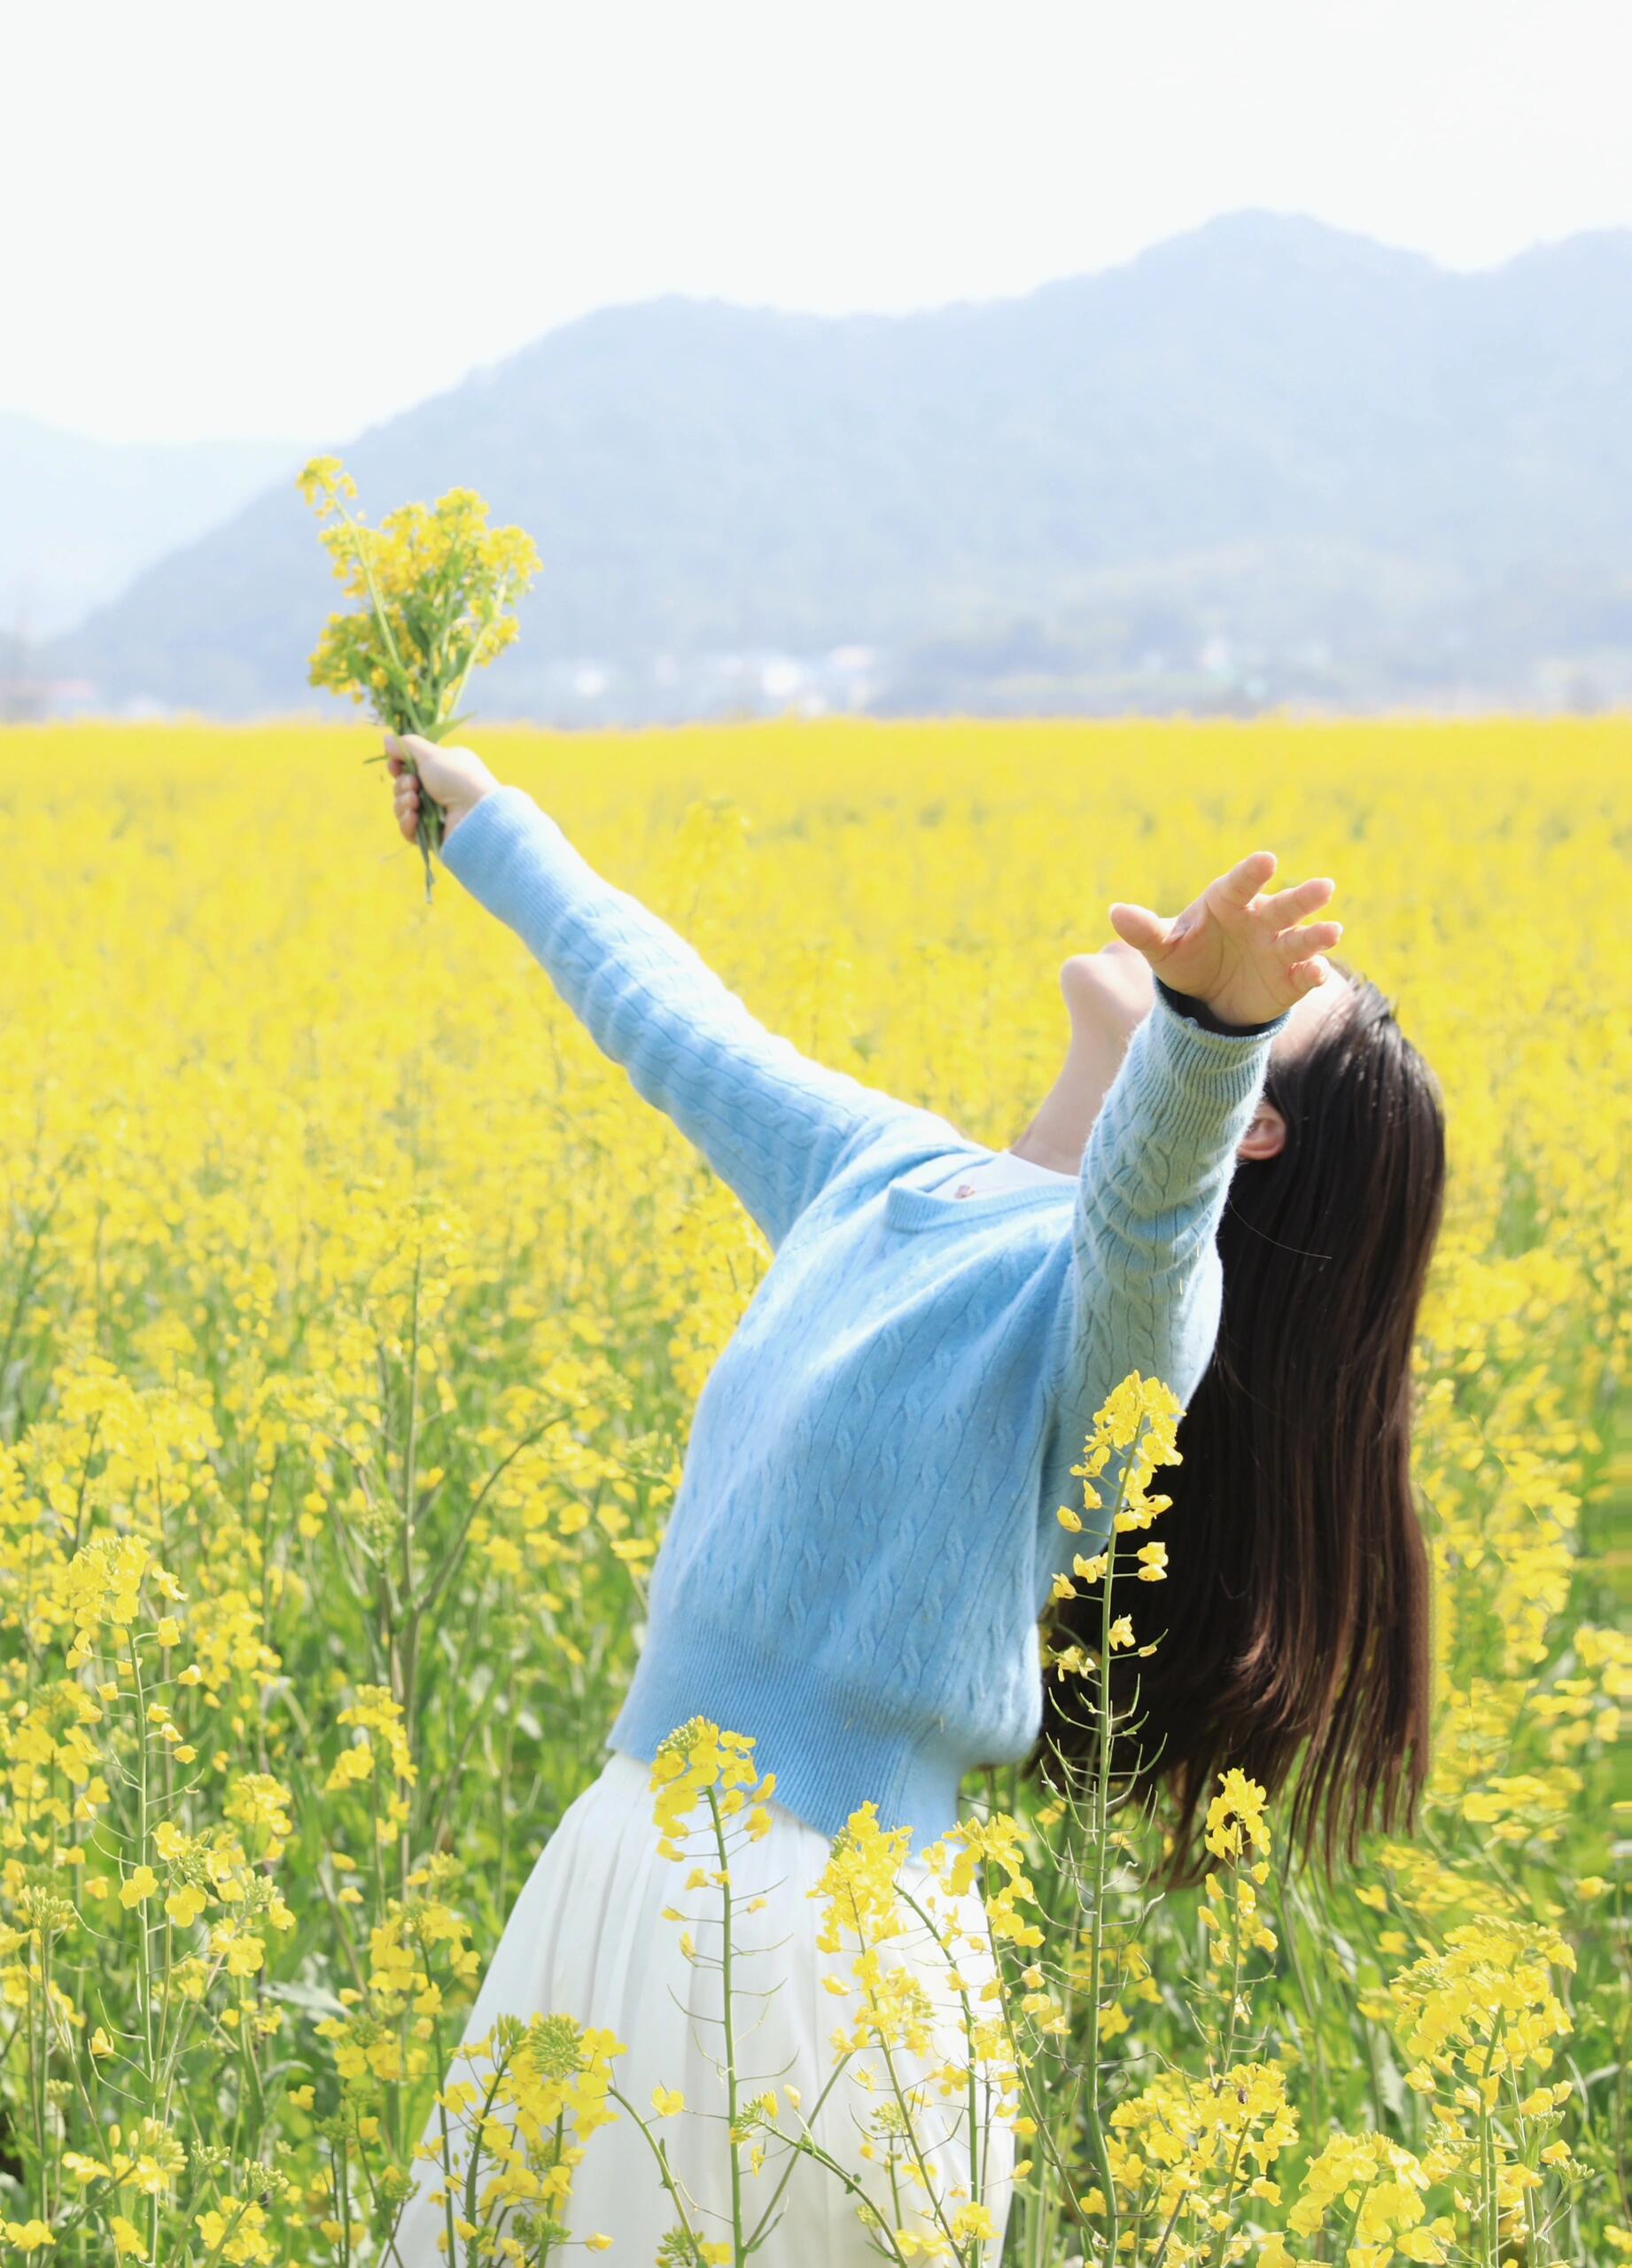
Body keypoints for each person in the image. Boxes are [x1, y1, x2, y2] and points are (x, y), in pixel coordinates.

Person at [380, 731, 1444, 2265]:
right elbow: (676, 1022)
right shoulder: (885, 1172)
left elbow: (1145, 1213)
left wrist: (1205, 1031)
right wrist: (494, 828)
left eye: (1286, 1011)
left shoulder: (1132, 1318)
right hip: (626, 1852)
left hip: (818, 1932)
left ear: (1245, 1129)